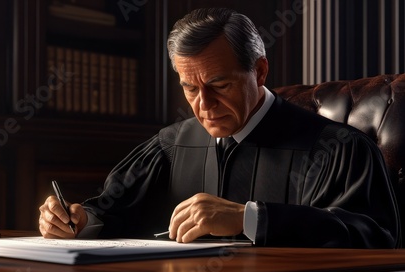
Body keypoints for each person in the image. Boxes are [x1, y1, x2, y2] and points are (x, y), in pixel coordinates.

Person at [39, 7, 401, 248]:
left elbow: (376, 238)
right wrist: (79, 220)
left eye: (220, 85)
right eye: (190, 88)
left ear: (259, 72)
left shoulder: (339, 149)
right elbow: (112, 210)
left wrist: (250, 218)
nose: (203, 105)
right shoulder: (169, 146)